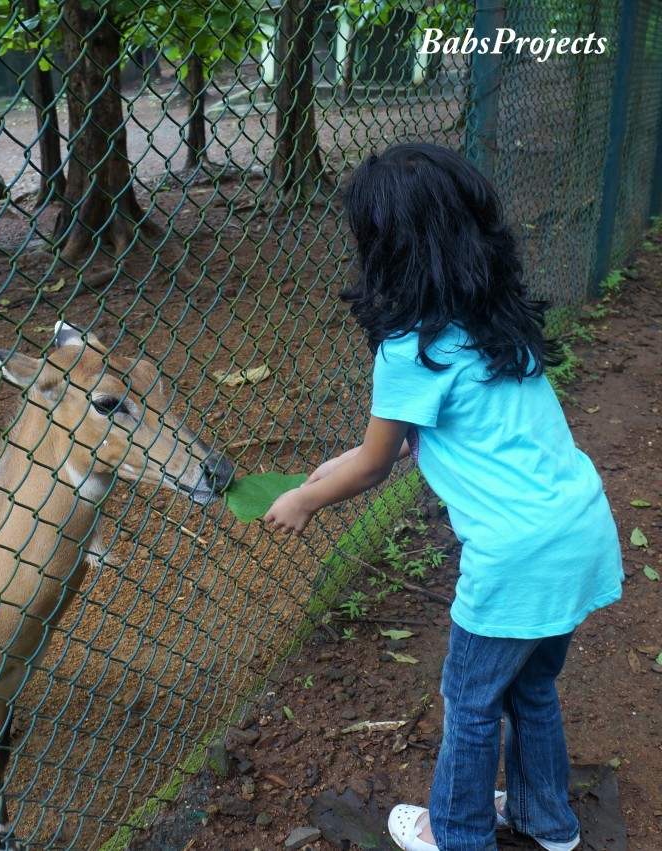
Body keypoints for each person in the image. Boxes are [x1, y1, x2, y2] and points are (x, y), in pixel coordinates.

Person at [264, 143, 623, 851]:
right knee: (530, 688)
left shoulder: (409, 350)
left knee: (469, 700)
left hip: (514, 557)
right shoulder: (497, 325)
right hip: (579, 525)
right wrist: (323, 472)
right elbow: (398, 442)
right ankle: (547, 820)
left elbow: (372, 467)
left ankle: (457, 831)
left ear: (385, 249)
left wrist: (305, 501)